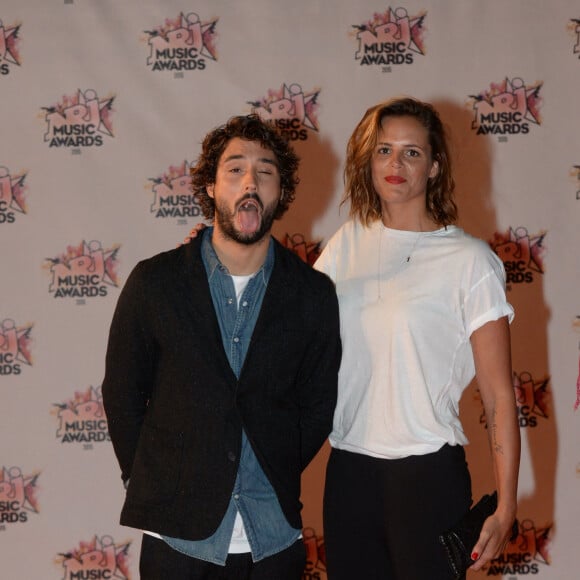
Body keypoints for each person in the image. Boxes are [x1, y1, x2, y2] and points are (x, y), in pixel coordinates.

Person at [102, 114, 341, 579]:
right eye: (235, 169)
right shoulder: (155, 283)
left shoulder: (313, 295)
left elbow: (318, 407)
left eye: (265, 171)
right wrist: (159, 479)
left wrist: (276, 460)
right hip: (177, 541)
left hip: (273, 540)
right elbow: (122, 395)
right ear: (210, 186)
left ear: (280, 191)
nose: (250, 181)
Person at [313, 97, 520, 579]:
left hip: (428, 477)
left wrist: (506, 505)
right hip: (348, 473)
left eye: (411, 152)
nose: (395, 164)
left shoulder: (470, 261)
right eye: (384, 150)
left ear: (434, 166)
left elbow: (499, 396)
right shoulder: (345, 245)